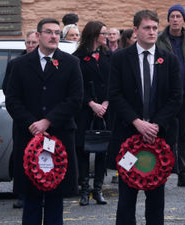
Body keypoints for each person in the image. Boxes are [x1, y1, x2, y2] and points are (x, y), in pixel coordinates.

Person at [5, 18, 83, 225]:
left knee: (55, 198)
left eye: (57, 32)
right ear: (38, 36)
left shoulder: (71, 63)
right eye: (49, 32)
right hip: (28, 137)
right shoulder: (19, 65)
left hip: (59, 136)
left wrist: (48, 121)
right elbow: (12, 100)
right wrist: (33, 123)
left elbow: (75, 99)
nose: (54, 36)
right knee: (31, 198)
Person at [109, 10, 182, 225]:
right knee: (126, 199)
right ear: (135, 30)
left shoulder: (168, 59)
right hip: (128, 137)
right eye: (147, 28)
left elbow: (176, 97)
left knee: (156, 200)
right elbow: (114, 95)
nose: (152, 32)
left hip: (159, 139)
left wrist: (156, 125)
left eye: (154, 28)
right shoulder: (120, 58)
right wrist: (137, 122)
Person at [157, 4, 185, 187]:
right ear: (168, 19)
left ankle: (183, 173)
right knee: (164, 134)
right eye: (172, 16)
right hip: (165, 97)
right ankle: (161, 174)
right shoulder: (160, 39)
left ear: (184, 20)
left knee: (183, 136)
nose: (175, 19)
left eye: (178, 16)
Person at [73, 21, 111, 206]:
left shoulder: (108, 56)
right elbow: (76, 85)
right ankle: (84, 189)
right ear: (95, 35)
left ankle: (98, 189)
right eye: (104, 33)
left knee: (102, 149)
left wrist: (105, 102)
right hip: (85, 110)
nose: (107, 36)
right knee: (83, 149)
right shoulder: (78, 57)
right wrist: (91, 104)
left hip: (105, 110)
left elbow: (115, 82)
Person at [2, 30, 39, 209]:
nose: (31, 46)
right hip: (23, 120)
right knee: (21, 156)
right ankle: (22, 193)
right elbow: (9, 90)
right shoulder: (15, 64)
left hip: (41, 120)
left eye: (33, 43)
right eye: (28, 43)